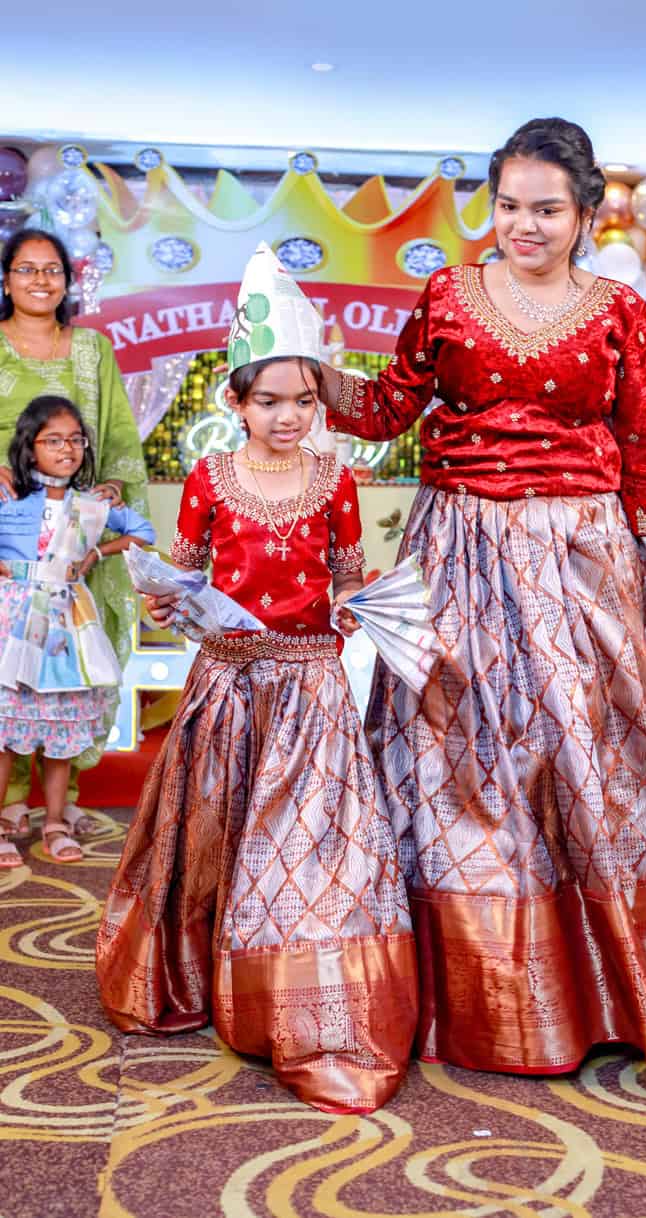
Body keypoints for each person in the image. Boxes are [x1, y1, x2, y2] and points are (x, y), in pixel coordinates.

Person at [317, 118, 646, 1075]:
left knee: (581, 755)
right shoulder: (448, 295)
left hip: (579, 555)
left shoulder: (619, 310)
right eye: (509, 206)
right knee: (452, 758)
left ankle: (598, 983)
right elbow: (388, 410)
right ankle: (468, 986)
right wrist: (308, 375)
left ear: (586, 215)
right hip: (459, 546)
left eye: (548, 210)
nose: (525, 225)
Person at [96, 244, 417, 1114]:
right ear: (233, 400)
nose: (289, 416)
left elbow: (347, 571)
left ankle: (296, 995)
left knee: (308, 845)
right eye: (269, 400)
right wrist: (171, 606)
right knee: (214, 828)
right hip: (228, 681)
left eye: (305, 400)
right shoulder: (207, 476)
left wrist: (358, 604)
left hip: (311, 686)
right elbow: (189, 573)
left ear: (322, 402)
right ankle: (206, 975)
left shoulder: (337, 478)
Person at [0, 228, 149, 840]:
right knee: (7, 669)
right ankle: (10, 801)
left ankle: (63, 800)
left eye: (52, 270)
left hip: (75, 531)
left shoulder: (91, 350)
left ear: (68, 280)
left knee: (73, 662)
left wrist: (111, 485)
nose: (41, 281)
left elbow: (115, 434)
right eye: (27, 269)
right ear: (5, 279)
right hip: (10, 539)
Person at [0, 395, 154, 867]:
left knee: (60, 724)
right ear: (29, 449)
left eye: (75, 440)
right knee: (5, 731)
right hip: (12, 621)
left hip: (67, 625)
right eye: (53, 440)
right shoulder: (8, 498)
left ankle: (54, 822)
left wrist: (98, 554)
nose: (67, 449)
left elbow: (143, 532)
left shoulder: (93, 503)